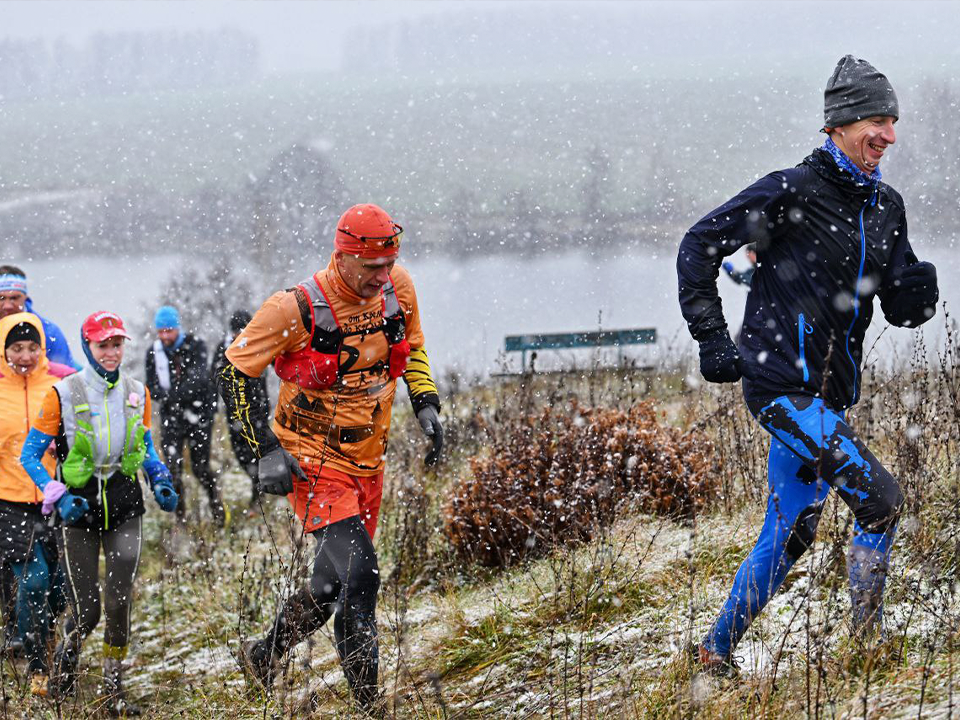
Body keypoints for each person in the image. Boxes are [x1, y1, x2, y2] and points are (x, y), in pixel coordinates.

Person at [677, 56, 939, 674]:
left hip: (829, 396)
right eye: (877, 120)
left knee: (790, 533)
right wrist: (713, 339)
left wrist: (915, 297)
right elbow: (698, 245)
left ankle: (713, 655)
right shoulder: (790, 190)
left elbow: (895, 305)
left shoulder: (885, 206)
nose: (888, 136)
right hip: (781, 387)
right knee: (880, 501)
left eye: (893, 122)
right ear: (841, 123)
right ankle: (867, 653)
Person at [218, 203, 443, 713]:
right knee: (362, 576)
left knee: (329, 584)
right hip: (311, 460)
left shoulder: (397, 288)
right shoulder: (293, 307)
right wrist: (263, 451)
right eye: (372, 268)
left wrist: (425, 401)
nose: (382, 277)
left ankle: (263, 654)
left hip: (370, 459)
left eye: (389, 265)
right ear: (342, 256)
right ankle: (369, 708)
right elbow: (233, 372)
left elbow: (415, 345)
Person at [20, 310, 178, 714]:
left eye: (117, 343)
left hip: (125, 504)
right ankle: (66, 666)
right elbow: (31, 455)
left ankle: (113, 686)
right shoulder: (62, 393)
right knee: (87, 610)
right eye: (102, 344)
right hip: (79, 508)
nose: (111, 352)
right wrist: (57, 492)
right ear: (87, 345)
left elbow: (145, 445)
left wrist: (159, 477)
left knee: (120, 603)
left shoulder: (136, 392)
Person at [0, 313, 74, 694]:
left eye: (32, 347)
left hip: (55, 498)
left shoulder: (59, 385)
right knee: (32, 581)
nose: (25, 355)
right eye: (16, 348)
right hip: (10, 500)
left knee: (62, 586)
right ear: (4, 349)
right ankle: (37, 666)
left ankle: (44, 636)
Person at [144, 306, 226, 526]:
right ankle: (180, 517)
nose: (165, 336)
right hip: (171, 417)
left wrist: (171, 395)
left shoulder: (195, 345)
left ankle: (215, 504)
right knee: (173, 467)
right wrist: (172, 397)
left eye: (169, 331)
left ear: (177, 328)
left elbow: (198, 380)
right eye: (161, 331)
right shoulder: (154, 352)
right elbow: (150, 386)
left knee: (200, 468)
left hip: (198, 414)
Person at [211, 310, 268, 508]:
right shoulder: (223, 348)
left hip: (257, 408)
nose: (238, 334)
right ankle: (256, 480)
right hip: (233, 410)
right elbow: (215, 375)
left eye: (242, 330)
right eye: (236, 331)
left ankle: (259, 489)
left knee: (259, 449)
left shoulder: (258, 344)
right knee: (239, 451)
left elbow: (264, 374)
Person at [0, 265, 79, 369]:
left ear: (25, 298)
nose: (7, 305)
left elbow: (65, 374)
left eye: (14, 298)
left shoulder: (49, 332)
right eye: (1, 298)